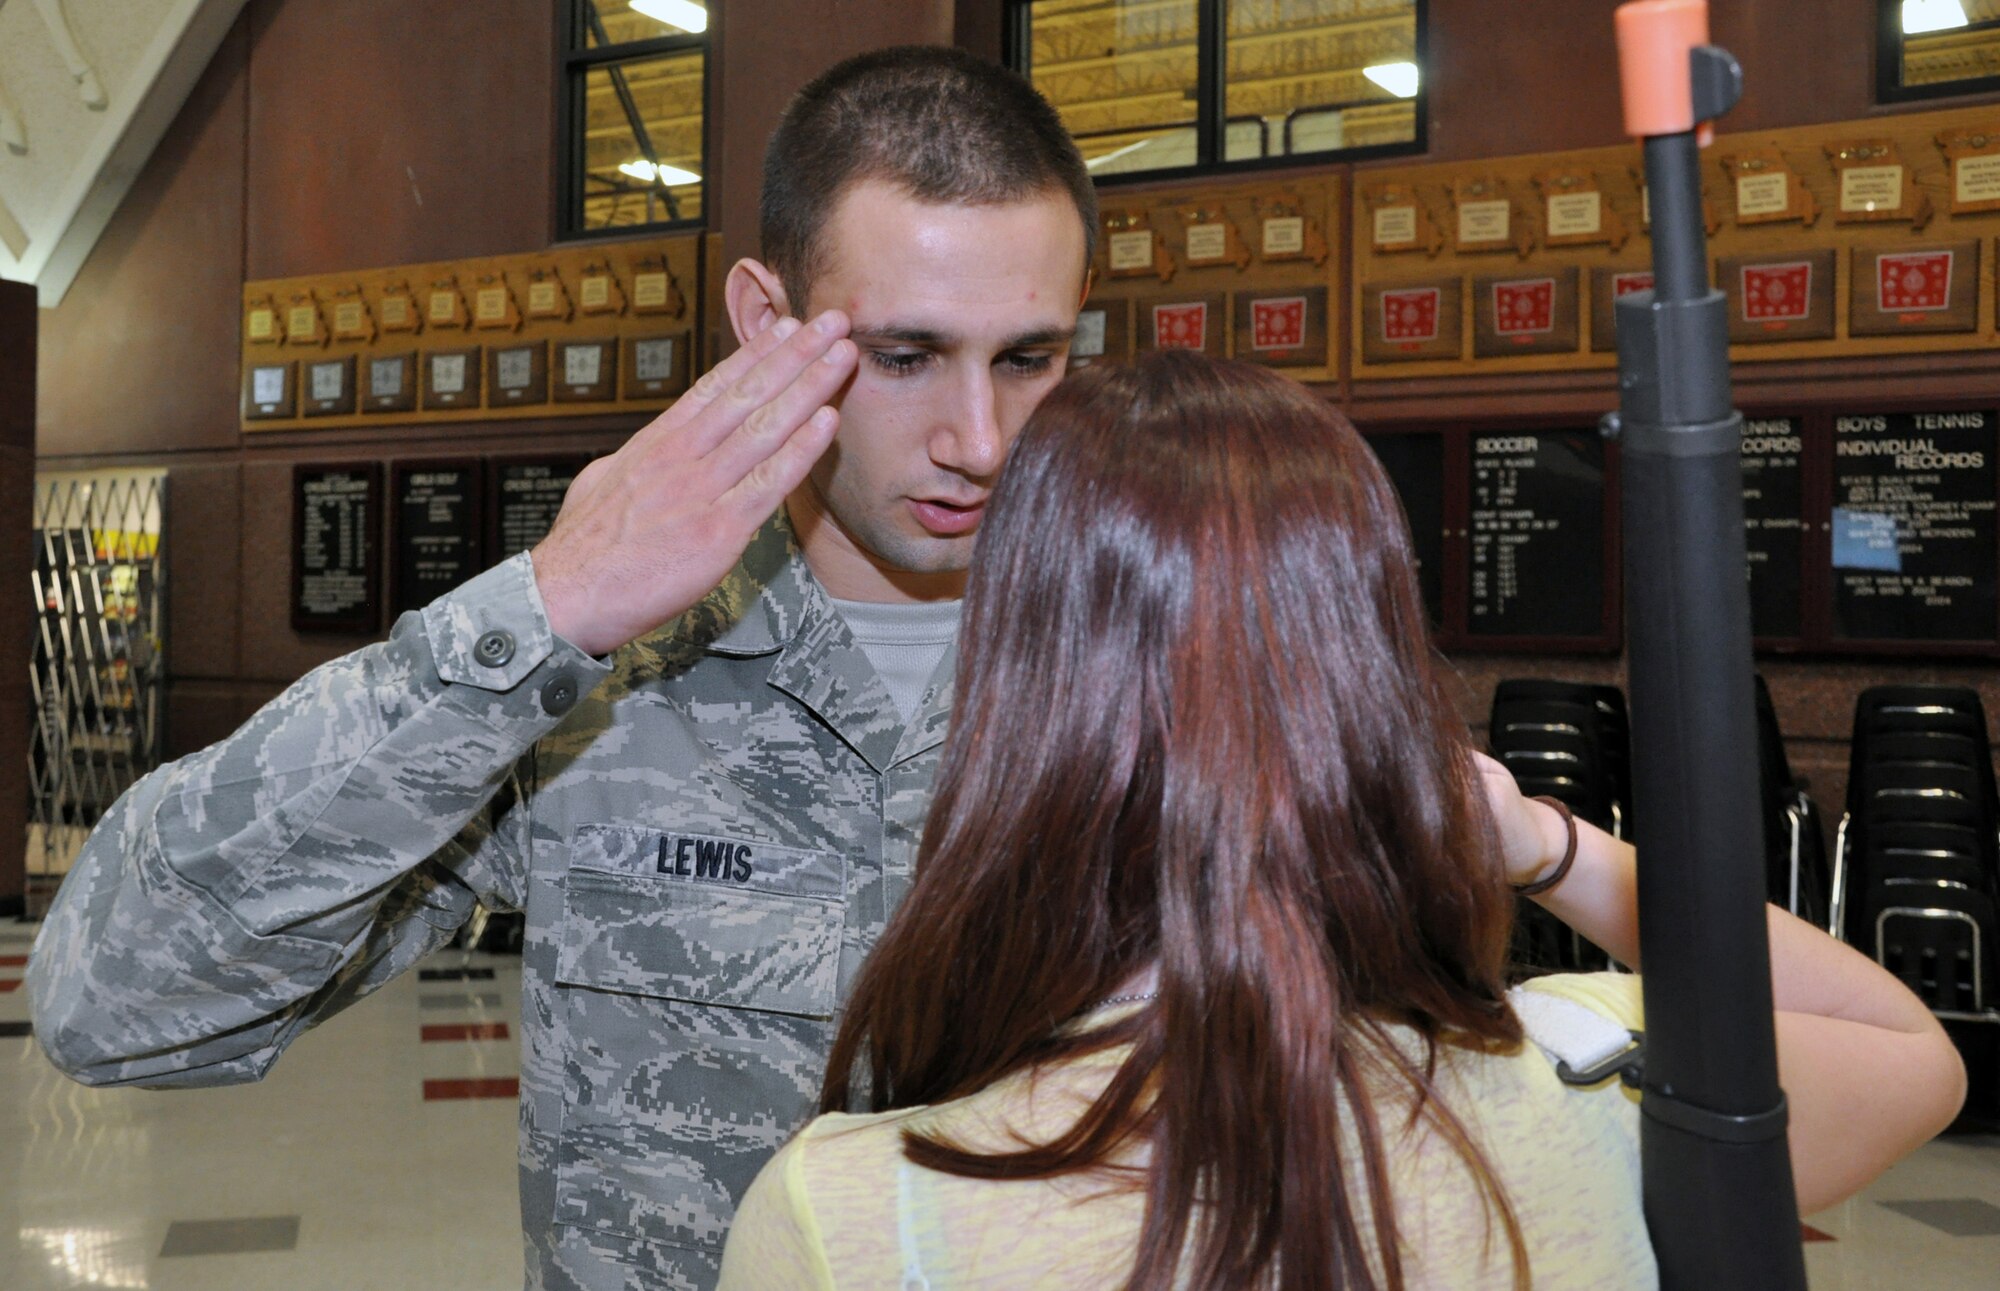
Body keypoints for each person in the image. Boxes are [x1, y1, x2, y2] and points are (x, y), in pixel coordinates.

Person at [28, 46, 1094, 1291]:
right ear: (765, 324)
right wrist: (542, 616)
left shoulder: (1162, 667)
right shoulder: (601, 679)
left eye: (1028, 358)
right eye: (905, 357)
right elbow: (110, 1003)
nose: (979, 440)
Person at [716, 352, 1968, 1291]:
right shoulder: (1592, 1082)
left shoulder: (857, 1212)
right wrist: (1545, 844)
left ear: (1018, 706)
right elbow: (1908, 1051)